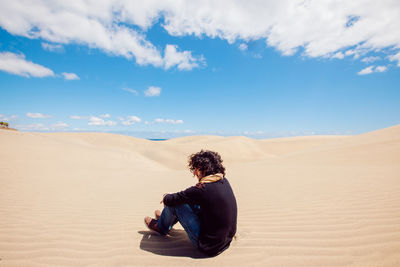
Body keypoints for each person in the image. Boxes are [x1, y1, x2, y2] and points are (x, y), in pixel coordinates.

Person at [144, 150, 237, 256]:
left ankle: (162, 227)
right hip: (224, 242)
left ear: (205, 169)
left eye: (196, 169)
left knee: (176, 204)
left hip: (208, 246)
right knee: (186, 200)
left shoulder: (203, 189)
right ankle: (166, 218)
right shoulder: (223, 181)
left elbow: (171, 199)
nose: (194, 173)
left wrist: (165, 196)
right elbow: (188, 196)